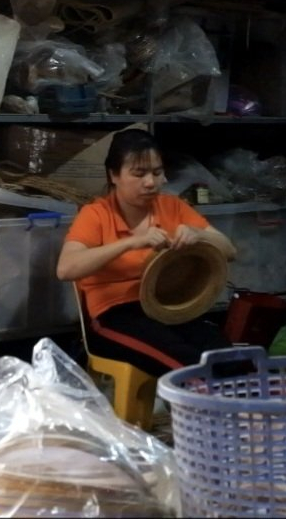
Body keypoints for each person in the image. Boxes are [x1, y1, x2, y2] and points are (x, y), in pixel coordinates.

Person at [56, 128, 238, 377]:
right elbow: (66, 269)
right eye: (139, 174)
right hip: (114, 316)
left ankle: (241, 413)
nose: (150, 182)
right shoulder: (96, 214)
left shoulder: (172, 206)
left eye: (157, 172)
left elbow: (229, 250)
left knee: (227, 358)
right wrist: (130, 243)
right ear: (114, 175)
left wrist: (200, 235)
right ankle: (206, 412)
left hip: (168, 307)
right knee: (188, 365)